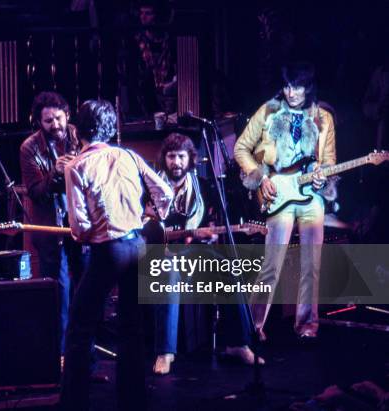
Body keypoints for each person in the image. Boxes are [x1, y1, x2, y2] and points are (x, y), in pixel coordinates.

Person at [61, 99, 173, 410]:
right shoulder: (128, 156)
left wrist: (83, 234)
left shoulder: (75, 166)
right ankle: (133, 401)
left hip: (107, 251)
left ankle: (73, 402)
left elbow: (79, 226)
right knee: (131, 327)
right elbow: (165, 191)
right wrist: (153, 216)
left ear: (77, 129)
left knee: (80, 327)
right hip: (136, 245)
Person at [234, 62, 337, 340]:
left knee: (311, 263)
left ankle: (307, 325)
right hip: (278, 191)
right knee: (272, 261)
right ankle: (254, 326)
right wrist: (260, 177)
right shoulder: (268, 110)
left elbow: (328, 161)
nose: (291, 92)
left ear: (308, 87)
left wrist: (322, 178)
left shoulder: (323, 118)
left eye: (298, 86)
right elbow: (241, 147)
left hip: (311, 196)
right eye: (288, 86)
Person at [152, 133, 264, 375]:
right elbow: (142, 223)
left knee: (228, 268)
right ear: (165, 159)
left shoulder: (202, 187)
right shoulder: (152, 186)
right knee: (169, 273)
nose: (176, 162)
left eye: (181, 156)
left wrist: (210, 235)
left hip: (193, 252)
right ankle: (165, 352)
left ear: (190, 159)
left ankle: (238, 344)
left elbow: (211, 227)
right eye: (171, 156)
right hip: (161, 253)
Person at [19, 91, 88, 352]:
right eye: (48, 121)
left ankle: (85, 355)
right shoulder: (29, 147)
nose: (55, 125)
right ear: (38, 121)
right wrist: (55, 173)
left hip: (81, 224)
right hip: (50, 226)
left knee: (85, 289)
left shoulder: (81, 136)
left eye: (58, 118)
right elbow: (35, 192)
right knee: (59, 295)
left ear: (67, 115)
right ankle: (59, 356)